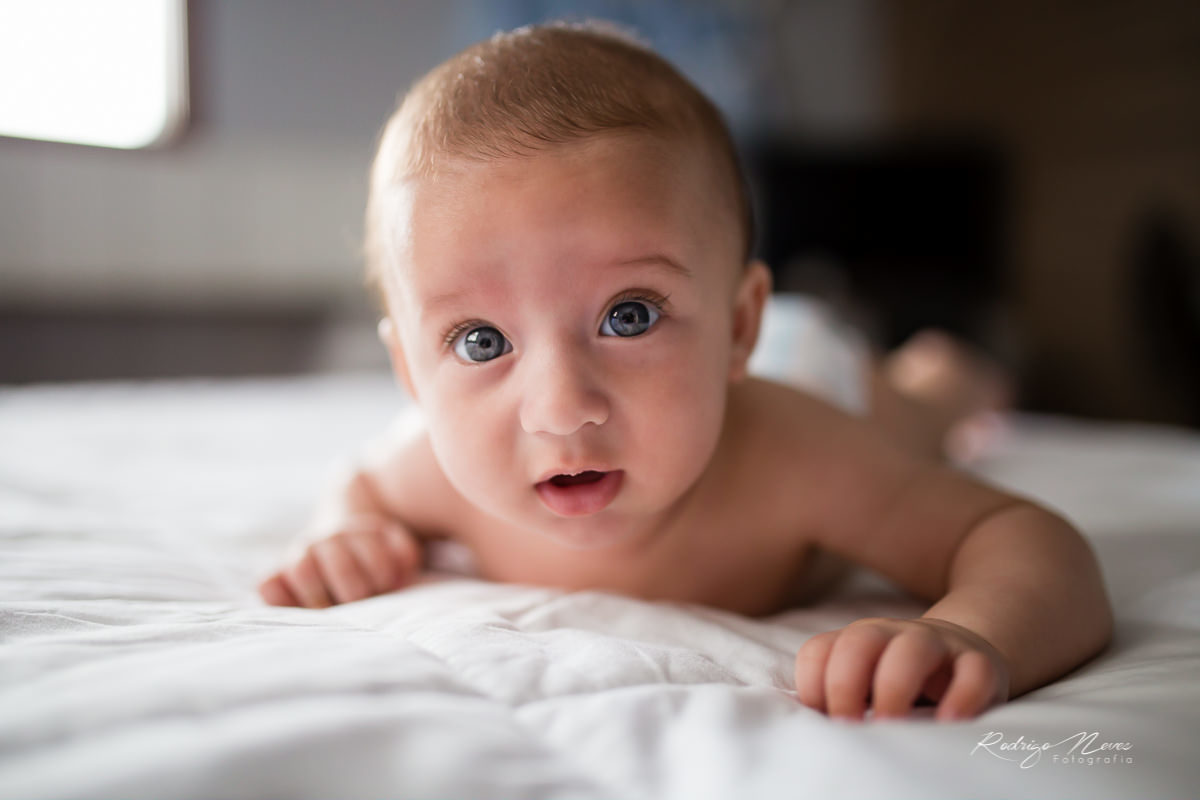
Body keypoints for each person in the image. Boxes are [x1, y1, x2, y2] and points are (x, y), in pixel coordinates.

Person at [258, 21, 1111, 721]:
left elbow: (1024, 541)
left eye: (629, 315)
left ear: (740, 325)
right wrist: (344, 531)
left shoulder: (799, 456)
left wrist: (975, 634)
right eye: (481, 342)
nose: (560, 410)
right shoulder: (435, 469)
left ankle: (949, 370)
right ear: (410, 372)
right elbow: (361, 486)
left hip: (821, 379)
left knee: (915, 413)